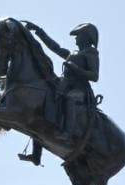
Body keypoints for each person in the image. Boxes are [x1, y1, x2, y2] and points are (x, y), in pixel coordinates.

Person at [20, 20, 100, 164]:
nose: (76, 39)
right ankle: (36, 155)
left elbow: (94, 76)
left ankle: (66, 133)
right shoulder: (73, 53)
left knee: (69, 98)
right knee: (42, 104)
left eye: (78, 35)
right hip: (65, 85)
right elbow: (55, 47)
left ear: (86, 37)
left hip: (79, 90)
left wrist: (75, 69)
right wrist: (39, 31)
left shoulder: (91, 53)